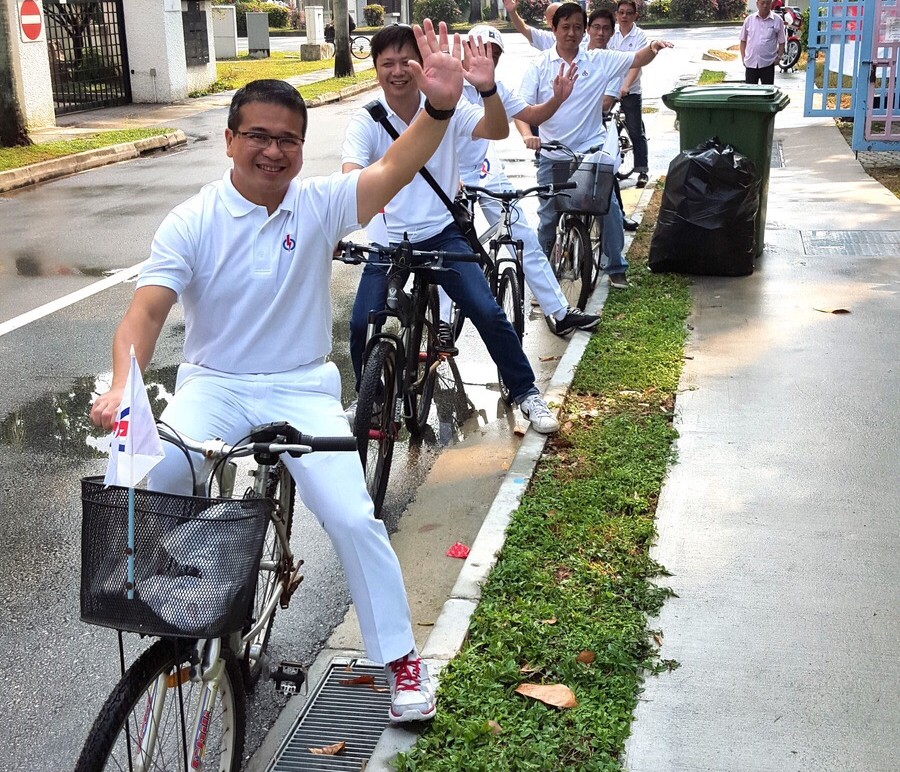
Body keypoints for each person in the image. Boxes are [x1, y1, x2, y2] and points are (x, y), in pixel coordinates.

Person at [89, 21, 469, 725]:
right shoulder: (193, 219)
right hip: (213, 385)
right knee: (140, 477)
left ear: (301, 146)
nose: (273, 150)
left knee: (356, 519)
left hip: (301, 388)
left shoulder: (320, 202)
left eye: (288, 139)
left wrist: (437, 111)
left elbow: (394, 167)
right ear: (230, 140)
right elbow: (143, 314)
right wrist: (122, 386)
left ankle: (400, 662)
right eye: (258, 135)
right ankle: (179, 590)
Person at [342, 24, 561, 434]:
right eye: (386, 63)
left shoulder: (447, 103)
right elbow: (350, 175)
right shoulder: (368, 118)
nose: (397, 71)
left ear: (422, 64)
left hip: (442, 234)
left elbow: (495, 129)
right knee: (360, 323)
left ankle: (527, 392)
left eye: (406, 61)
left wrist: (488, 88)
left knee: (487, 311)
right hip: (388, 242)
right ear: (375, 70)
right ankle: (367, 397)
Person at [516, 3, 672, 289]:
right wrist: (528, 135)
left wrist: (653, 47)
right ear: (554, 29)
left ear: (583, 31)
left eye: (577, 27)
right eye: (566, 27)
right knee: (548, 217)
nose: (572, 33)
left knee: (608, 207)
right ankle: (543, 281)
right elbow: (522, 109)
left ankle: (616, 266)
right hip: (553, 154)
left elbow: (636, 58)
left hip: (590, 151)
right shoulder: (539, 66)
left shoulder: (597, 60)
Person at [461, 25, 599, 336]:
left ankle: (560, 311)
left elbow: (532, 115)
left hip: (486, 169)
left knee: (523, 237)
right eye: (481, 50)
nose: (488, 59)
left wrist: (558, 100)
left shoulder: (495, 88)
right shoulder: (447, 82)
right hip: (448, 177)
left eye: (494, 54)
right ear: (466, 50)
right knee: (450, 251)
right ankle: (441, 327)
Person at [587, 7, 639, 233]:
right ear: (587, 30)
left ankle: (618, 220)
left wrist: (579, 107)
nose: (600, 33)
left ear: (611, 33)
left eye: (606, 29)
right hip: (565, 132)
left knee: (608, 178)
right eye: (596, 27)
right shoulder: (575, 53)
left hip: (597, 128)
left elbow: (606, 102)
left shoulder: (613, 62)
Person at [608, 0, 650, 188]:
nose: (624, 16)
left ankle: (642, 170)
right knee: (605, 130)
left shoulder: (639, 36)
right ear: (616, 14)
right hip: (608, 90)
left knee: (635, 130)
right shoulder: (610, 33)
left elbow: (636, 63)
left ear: (635, 15)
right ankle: (607, 168)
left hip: (630, 90)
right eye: (621, 13)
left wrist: (625, 86)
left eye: (628, 13)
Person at [740, 0, 785, 85]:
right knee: (750, 94)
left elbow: (782, 42)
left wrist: (779, 57)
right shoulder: (749, 20)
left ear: (771, 4)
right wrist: (743, 59)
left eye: (768, 3)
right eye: (762, 3)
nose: (765, 6)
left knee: (767, 94)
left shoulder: (777, 20)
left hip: (768, 63)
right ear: (757, 4)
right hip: (751, 63)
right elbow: (743, 40)